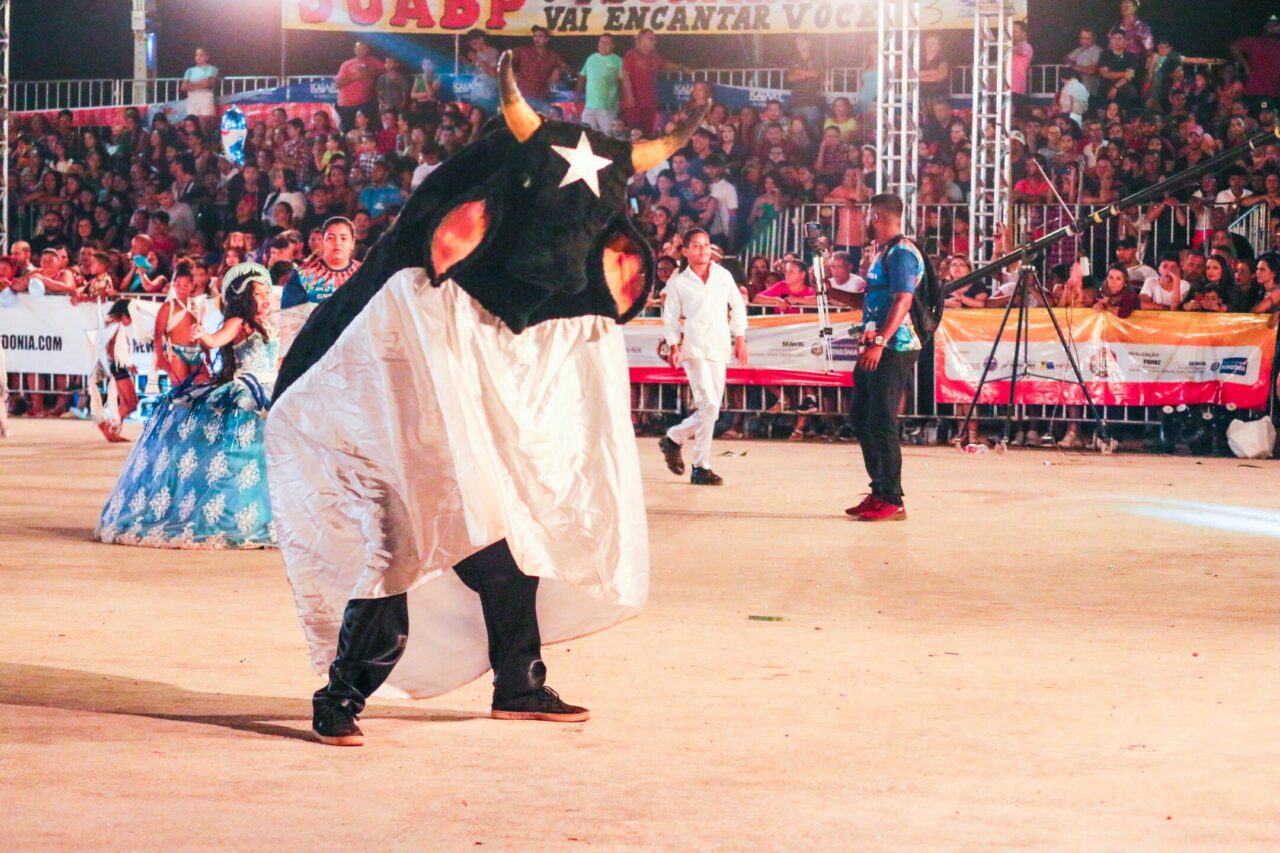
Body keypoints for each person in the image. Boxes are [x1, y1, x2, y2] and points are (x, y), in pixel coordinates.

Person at [96, 264, 278, 548]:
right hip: (246, 392)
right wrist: (202, 336)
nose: (265, 298)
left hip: (270, 388)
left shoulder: (269, 324)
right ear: (244, 297)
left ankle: (270, 516)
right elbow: (216, 341)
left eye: (267, 292)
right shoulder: (239, 322)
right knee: (237, 454)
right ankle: (230, 518)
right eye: (258, 293)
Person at [846, 194, 922, 522]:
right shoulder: (884, 252)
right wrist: (828, 291)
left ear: (875, 216)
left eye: (867, 214)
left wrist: (880, 341)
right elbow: (870, 300)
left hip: (894, 347)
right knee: (861, 416)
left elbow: (904, 300)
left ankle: (892, 498)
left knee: (881, 419)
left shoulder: (902, 252)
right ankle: (878, 490)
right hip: (876, 344)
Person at [658, 229, 749, 487]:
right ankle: (700, 465)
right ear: (686, 251)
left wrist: (740, 336)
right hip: (694, 347)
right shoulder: (679, 282)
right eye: (696, 246)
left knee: (712, 410)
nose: (703, 250)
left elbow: (738, 306)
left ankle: (675, 438)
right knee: (708, 405)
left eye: (706, 245)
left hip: (719, 346)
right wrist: (673, 345)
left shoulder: (723, 275)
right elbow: (670, 317)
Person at [92, 300, 139, 443]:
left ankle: (112, 428)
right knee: (131, 402)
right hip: (116, 366)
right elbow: (112, 351)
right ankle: (110, 426)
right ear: (124, 315)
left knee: (126, 402)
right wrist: (128, 364)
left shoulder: (110, 324)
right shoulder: (115, 326)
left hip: (111, 365)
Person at [154, 261, 207, 386]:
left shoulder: (195, 305)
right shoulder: (168, 306)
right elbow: (158, 334)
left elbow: (200, 331)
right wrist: (160, 357)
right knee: (180, 391)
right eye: (177, 285)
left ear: (192, 286)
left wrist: (207, 352)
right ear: (173, 285)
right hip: (176, 353)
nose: (181, 289)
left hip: (196, 352)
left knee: (205, 386)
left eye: (185, 286)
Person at [622, 28, 680, 135]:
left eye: (654, 39)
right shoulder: (631, 55)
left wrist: (682, 68)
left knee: (648, 133)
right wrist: (629, 95)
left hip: (650, 102)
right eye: (650, 39)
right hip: (635, 103)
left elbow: (665, 64)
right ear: (641, 39)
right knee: (636, 133)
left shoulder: (654, 56)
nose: (654, 42)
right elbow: (625, 75)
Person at [578, 33, 630, 135]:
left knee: (609, 136)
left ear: (613, 46)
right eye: (601, 42)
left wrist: (622, 101)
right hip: (589, 107)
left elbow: (622, 82)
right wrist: (577, 95)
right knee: (586, 136)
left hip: (608, 108)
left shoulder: (618, 60)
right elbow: (582, 76)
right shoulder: (591, 58)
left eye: (607, 43)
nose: (603, 45)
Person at [511, 26, 568, 112]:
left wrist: (558, 70)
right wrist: (512, 75)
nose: (537, 39)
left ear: (546, 39)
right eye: (535, 36)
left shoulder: (552, 55)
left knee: (552, 115)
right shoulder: (522, 51)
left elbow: (567, 69)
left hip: (542, 96)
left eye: (540, 36)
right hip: (523, 96)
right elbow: (506, 61)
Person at [1231, 15, 1280, 109]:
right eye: (1270, 25)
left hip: (1276, 91)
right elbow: (1234, 47)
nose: (1272, 28)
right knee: (1257, 115)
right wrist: (1246, 66)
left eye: (1276, 25)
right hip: (1256, 90)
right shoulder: (1254, 42)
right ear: (1265, 27)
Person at [335, 41, 381, 131]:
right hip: (347, 104)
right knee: (348, 131)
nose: (361, 51)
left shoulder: (372, 61)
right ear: (354, 50)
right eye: (359, 48)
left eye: (363, 48)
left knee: (368, 129)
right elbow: (337, 84)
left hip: (365, 103)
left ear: (367, 50)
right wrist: (355, 77)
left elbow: (385, 70)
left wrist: (371, 72)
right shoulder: (347, 64)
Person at [181, 47, 220, 140]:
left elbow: (208, 83)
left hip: (205, 97)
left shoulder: (212, 69)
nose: (198, 57)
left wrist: (191, 84)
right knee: (192, 122)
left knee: (205, 124)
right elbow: (183, 87)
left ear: (207, 57)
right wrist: (201, 83)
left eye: (201, 55)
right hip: (192, 98)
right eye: (196, 55)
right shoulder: (190, 70)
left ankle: (206, 142)